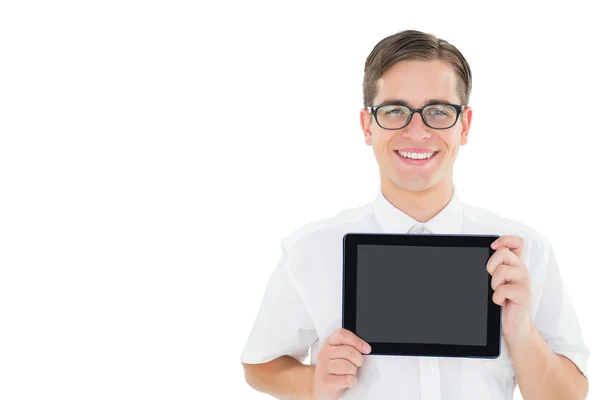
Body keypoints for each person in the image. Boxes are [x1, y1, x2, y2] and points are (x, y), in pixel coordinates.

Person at [239, 30, 590, 400]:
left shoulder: (523, 253)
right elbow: (260, 366)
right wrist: (315, 383)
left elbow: (569, 394)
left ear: (465, 125)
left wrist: (522, 333)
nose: (417, 131)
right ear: (367, 125)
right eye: (395, 111)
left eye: (438, 111)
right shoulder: (311, 250)